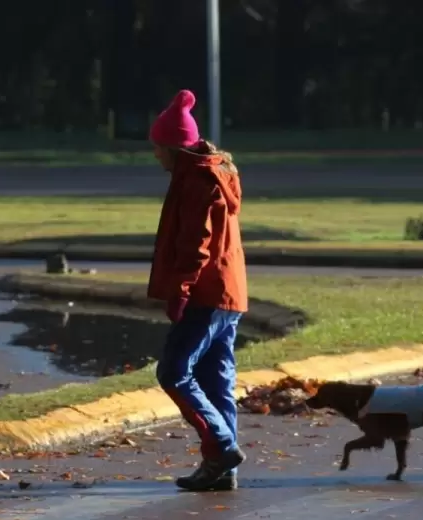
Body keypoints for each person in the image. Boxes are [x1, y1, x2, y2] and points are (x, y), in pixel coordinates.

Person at [147, 89, 249, 492]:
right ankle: (223, 470)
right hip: (229, 293)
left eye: (157, 148)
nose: (155, 156)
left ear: (173, 147)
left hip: (207, 295)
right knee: (215, 380)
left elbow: (196, 245)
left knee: (173, 371)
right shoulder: (212, 173)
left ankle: (222, 448)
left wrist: (182, 290)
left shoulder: (198, 182)